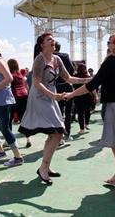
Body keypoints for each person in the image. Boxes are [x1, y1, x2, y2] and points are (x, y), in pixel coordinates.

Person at [65, 32, 115, 196]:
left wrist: (71, 95)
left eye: (109, 42)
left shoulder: (111, 61)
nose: (108, 45)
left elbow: (92, 84)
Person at [19, 33, 90, 185]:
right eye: (49, 39)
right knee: (57, 132)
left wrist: (90, 80)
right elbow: (37, 83)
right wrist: (54, 95)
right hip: (40, 97)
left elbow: (69, 78)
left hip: (50, 97)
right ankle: (44, 168)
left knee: (56, 134)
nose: (53, 41)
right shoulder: (39, 59)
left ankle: (45, 167)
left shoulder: (57, 59)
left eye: (53, 39)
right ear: (42, 45)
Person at [54, 41, 75, 142]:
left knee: (58, 112)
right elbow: (71, 69)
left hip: (55, 88)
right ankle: (67, 134)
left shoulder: (49, 57)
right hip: (66, 86)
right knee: (68, 111)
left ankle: (59, 136)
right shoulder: (65, 56)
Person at [7, 58, 31, 148]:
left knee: (9, 120)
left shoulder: (9, 75)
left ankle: (9, 140)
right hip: (23, 97)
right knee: (23, 120)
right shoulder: (21, 76)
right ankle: (28, 139)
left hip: (13, 98)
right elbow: (26, 87)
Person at [73, 63, 98, 134]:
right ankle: (86, 124)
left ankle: (82, 129)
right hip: (87, 96)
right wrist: (95, 96)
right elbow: (92, 88)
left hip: (78, 96)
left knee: (80, 113)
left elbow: (72, 87)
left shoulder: (75, 77)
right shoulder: (88, 77)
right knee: (87, 111)